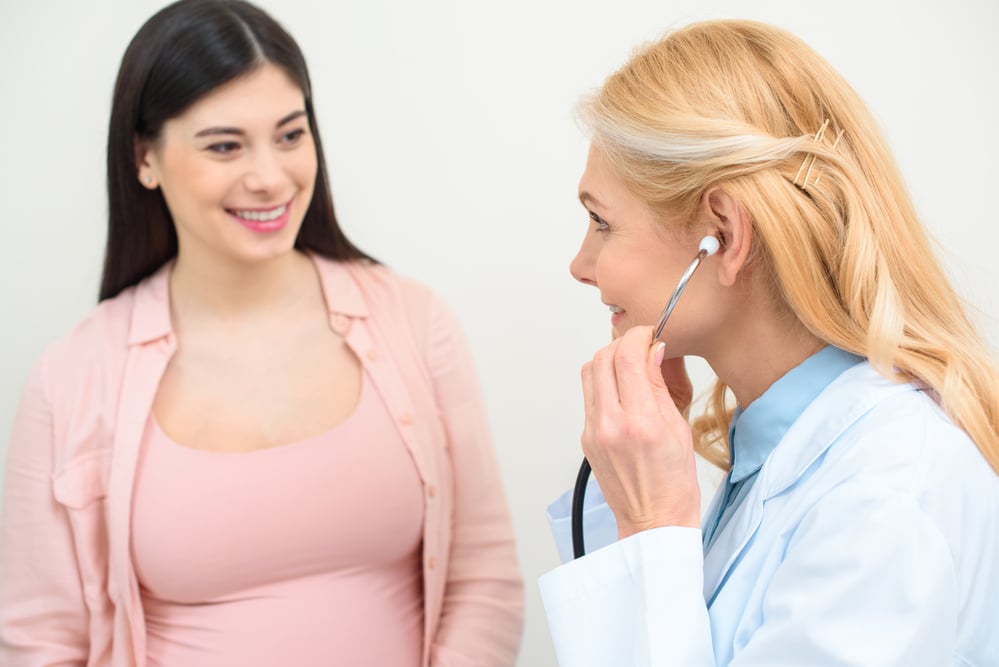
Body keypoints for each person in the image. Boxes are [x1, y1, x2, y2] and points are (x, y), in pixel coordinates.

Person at [0, 1, 523, 665]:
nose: (270, 177)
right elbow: (42, 643)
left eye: (289, 135)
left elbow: (484, 580)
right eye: (224, 145)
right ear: (145, 158)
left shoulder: (414, 321)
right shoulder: (71, 376)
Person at [539, 19, 999, 666]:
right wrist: (629, 513)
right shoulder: (781, 458)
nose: (581, 265)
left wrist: (652, 527)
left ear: (722, 235)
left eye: (600, 222)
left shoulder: (884, 494)